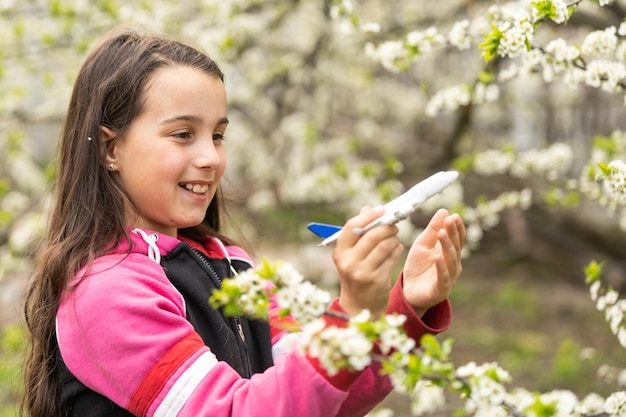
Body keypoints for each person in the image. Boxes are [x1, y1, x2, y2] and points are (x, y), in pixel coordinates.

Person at [22, 26, 466, 417]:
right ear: (109, 149)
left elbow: (323, 399)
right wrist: (349, 309)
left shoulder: (232, 264)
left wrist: (405, 307)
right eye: (182, 134)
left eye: (217, 135)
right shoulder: (107, 292)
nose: (211, 158)